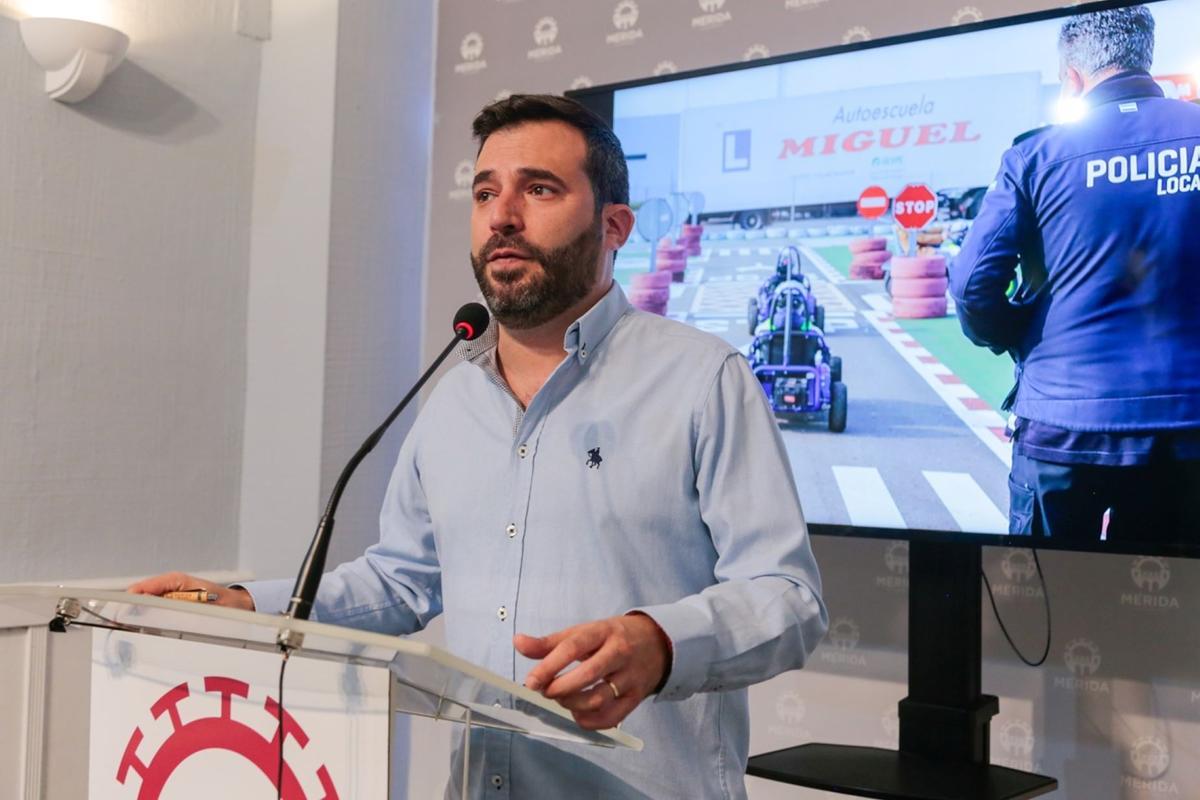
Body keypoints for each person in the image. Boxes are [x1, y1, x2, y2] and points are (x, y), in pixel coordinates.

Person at [131, 94, 827, 798]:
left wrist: (661, 641)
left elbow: (790, 598)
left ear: (614, 225)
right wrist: (247, 605)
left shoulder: (703, 378)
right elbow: (398, 583)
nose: (502, 216)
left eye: (539, 189)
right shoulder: (451, 402)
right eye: (486, 192)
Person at [949, 6, 1200, 543]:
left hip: (1062, 425)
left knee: (1043, 611)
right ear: (1145, 58)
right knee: (1168, 610)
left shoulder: (1036, 155)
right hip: (1186, 428)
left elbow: (972, 287)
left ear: (1073, 77)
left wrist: (1021, 337)